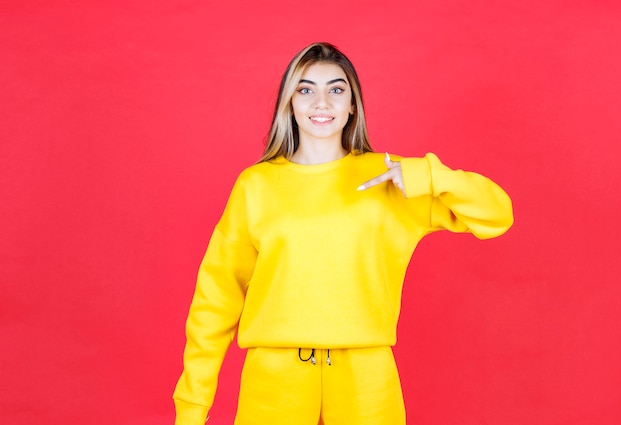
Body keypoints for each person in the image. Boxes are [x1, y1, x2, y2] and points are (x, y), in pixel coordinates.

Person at [173, 42, 514, 425]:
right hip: (274, 374)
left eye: (336, 90)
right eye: (305, 90)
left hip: (366, 374)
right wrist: (192, 406)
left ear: (353, 105)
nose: (321, 102)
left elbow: (498, 215)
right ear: (289, 102)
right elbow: (216, 296)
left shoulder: (389, 177)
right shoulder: (256, 185)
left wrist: (428, 176)